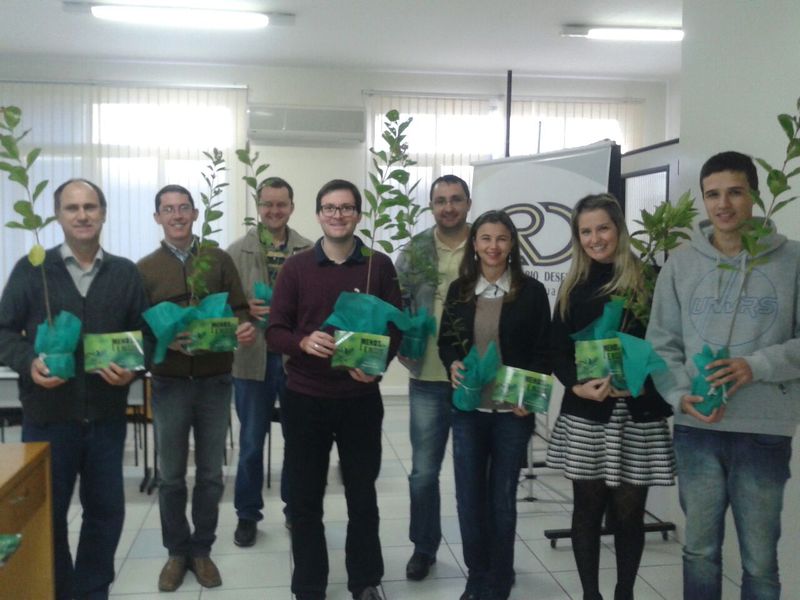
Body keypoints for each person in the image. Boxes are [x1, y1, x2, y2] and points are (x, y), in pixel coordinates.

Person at [646, 151, 800, 600]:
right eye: (712, 194)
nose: (723, 204)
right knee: (698, 551)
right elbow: (662, 342)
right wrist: (677, 394)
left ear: (754, 195)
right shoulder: (681, 264)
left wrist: (757, 365)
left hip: (763, 428)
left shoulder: (791, 261)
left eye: (735, 192)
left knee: (759, 561)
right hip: (697, 428)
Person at [0, 178, 150, 600]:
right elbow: (4, 330)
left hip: (105, 416)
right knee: (48, 517)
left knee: (106, 514)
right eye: (72, 208)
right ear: (58, 216)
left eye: (90, 207)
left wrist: (134, 369)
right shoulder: (33, 269)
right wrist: (28, 362)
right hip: (49, 417)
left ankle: (93, 590)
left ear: (103, 213)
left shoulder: (124, 272)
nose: (82, 215)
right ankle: (60, 589)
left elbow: (146, 336)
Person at [266, 179, 402, 600]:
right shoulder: (297, 267)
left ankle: (364, 581)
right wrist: (302, 342)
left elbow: (396, 327)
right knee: (305, 501)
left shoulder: (378, 266)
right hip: (305, 398)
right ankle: (309, 586)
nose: (337, 215)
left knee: (363, 496)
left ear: (359, 215)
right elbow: (274, 331)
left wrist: (376, 367)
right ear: (318, 214)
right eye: (329, 208)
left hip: (360, 399)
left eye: (346, 208)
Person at [546, 193, 674, 600]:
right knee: (586, 511)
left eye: (602, 228)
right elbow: (556, 350)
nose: (595, 238)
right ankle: (590, 595)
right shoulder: (573, 286)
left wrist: (641, 380)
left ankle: (624, 593)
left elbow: (670, 347)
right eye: (586, 231)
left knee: (630, 515)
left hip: (639, 413)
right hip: (588, 413)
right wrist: (576, 383)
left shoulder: (649, 278)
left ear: (619, 228)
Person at [137, 184, 256, 592]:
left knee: (209, 474)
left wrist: (243, 327)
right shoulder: (145, 269)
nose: (176, 215)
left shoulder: (217, 259)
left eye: (183, 207)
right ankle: (176, 552)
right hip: (169, 383)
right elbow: (136, 328)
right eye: (167, 209)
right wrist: (162, 341)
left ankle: (201, 550)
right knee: (170, 476)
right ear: (157, 217)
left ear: (194, 213)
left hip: (214, 382)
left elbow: (241, 308)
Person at [438, 210, 551, 600]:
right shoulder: (460, 290)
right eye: (485, 238)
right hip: (469, 410)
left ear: (513, 244)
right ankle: (478, 572)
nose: (493, 246)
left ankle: (501, 574)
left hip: (511, 413)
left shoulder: (531, 291)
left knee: (502, 496)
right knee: (468, 495)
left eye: (501, 238)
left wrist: (528, 396)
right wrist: (453, 361)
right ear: (475, 244)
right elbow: (447, 342)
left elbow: (542, 350)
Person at [394, 174, 472, 580]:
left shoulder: (486, 243)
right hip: (427, 375)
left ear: (468, 203)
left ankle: (482, 553)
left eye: (455, 199)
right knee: (424, 471)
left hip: (476, 377)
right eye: (440, 200)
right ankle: (423, 547)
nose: (448, 207)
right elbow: (398, 300)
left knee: (474, 472)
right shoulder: (416, 250)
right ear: (431, 205)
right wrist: (403, 346)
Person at [227, 176, 312, 547]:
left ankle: (296, 510)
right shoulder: (236, 252)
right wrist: (243, 312)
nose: (274, 211)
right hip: (251, 360)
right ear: (257, 207)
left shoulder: (309, 251)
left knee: (299, 441)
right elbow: (222, 308)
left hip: (296, 362)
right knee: (250, 442)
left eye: (281, 204)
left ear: (292, 207)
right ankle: (247, 514)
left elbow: (317, 307)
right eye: (267, 204)